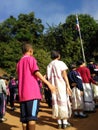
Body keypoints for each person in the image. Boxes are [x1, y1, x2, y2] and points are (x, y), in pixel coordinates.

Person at [17, 43, 55, 130]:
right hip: (32, 94)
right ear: (30, 51)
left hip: (22, 95)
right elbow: (36, 72)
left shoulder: (19, 63)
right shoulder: (31, 59)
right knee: (31, 118)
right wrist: (48, 83)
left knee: (24, 120)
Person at [47, 50, 72, 129]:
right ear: (58, 56)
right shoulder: (61, 63)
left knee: (56, 102)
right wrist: (68, 86)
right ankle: (64, 123)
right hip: (61, 85)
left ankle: (59, 123)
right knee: (63, 101)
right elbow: (64, 75)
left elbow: (48, 77)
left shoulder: (49, 65)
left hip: (53, 86)